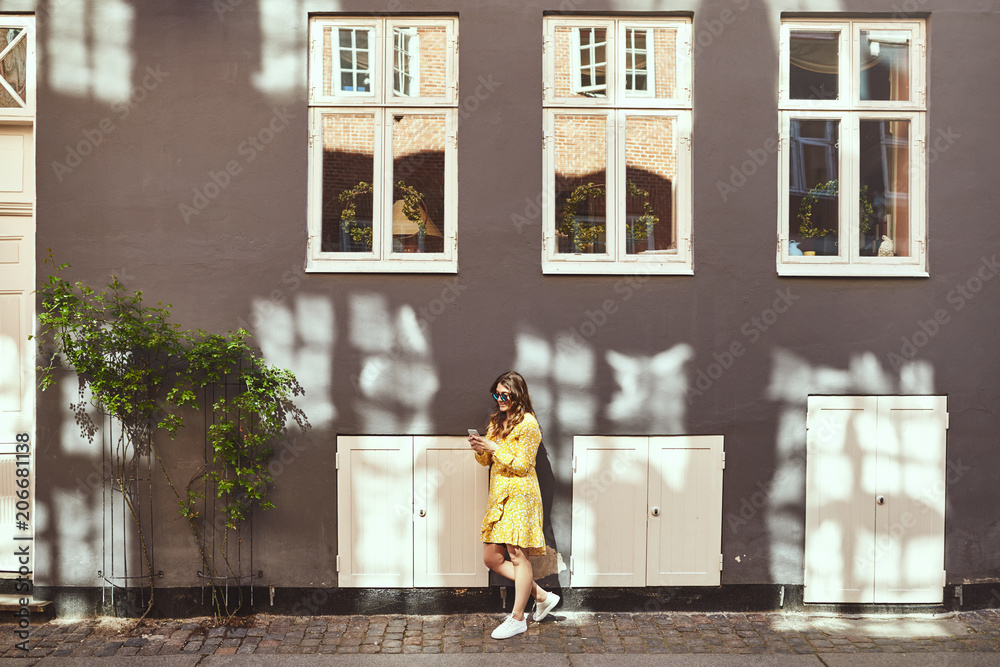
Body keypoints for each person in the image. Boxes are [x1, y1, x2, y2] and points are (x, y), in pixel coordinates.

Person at [469, 371, 560, 639]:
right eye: (496, 394)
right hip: (500, 497)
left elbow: (522, 464)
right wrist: (480, 448)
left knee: (518, 556)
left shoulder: (529, 424)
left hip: (521, 497)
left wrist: (494, 448)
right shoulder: (498, 421)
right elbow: (487, 462)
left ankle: (518, 617)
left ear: (517, 394)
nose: (499, 399)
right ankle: (541, 596)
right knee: (492, 558)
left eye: (504, 394)